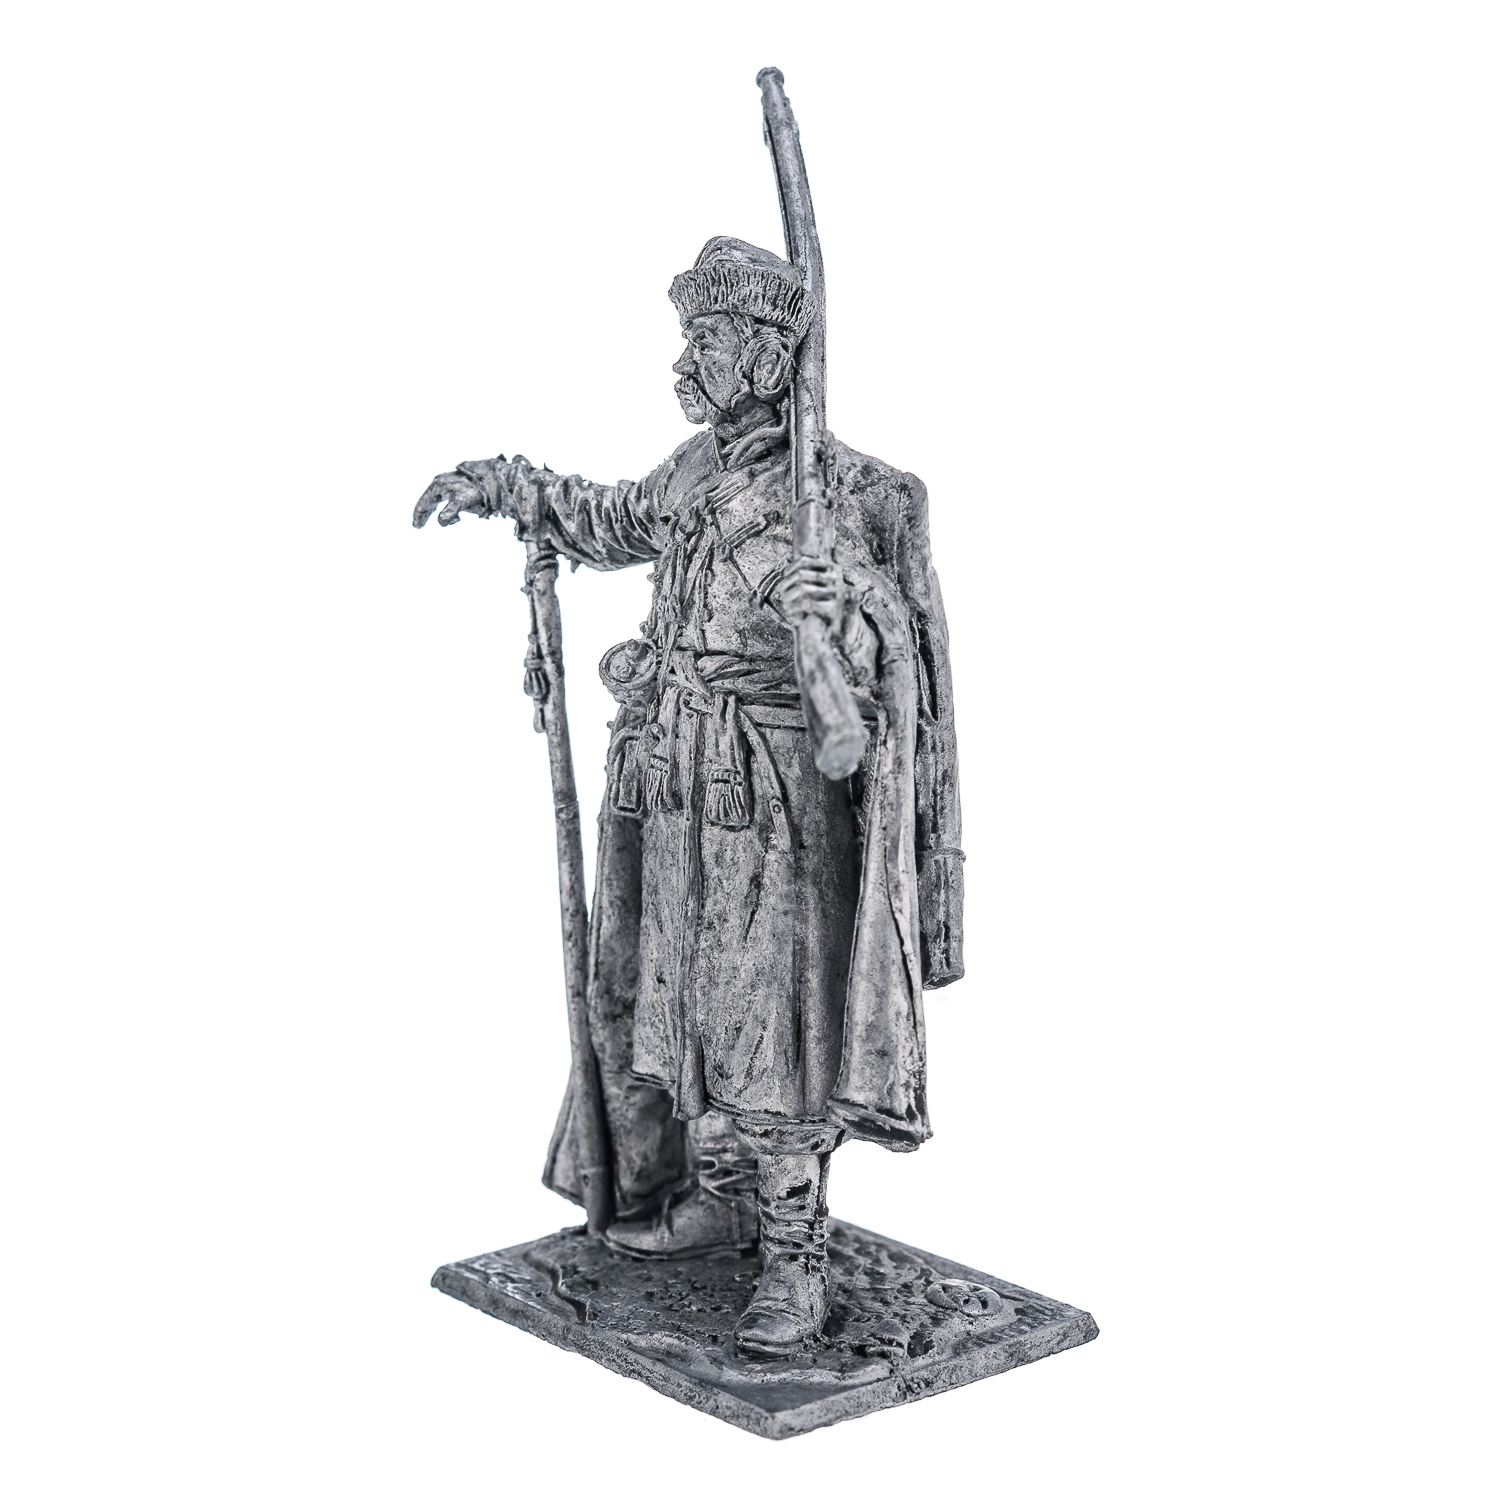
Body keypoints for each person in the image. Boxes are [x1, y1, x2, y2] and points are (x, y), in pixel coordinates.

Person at [414, 236, 964, 1355]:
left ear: (765, 354)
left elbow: (899, 670)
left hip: (777, 804)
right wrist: (511, 486)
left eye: (707, 342)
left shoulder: (860, 495)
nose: (685, 364)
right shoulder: (692, 472)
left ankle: (795, 1258)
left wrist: (849, 608)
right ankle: (721, 1202)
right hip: (674, 781)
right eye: (689, 340)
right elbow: (612, 517)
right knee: (681, 1005)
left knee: (773, 1027)